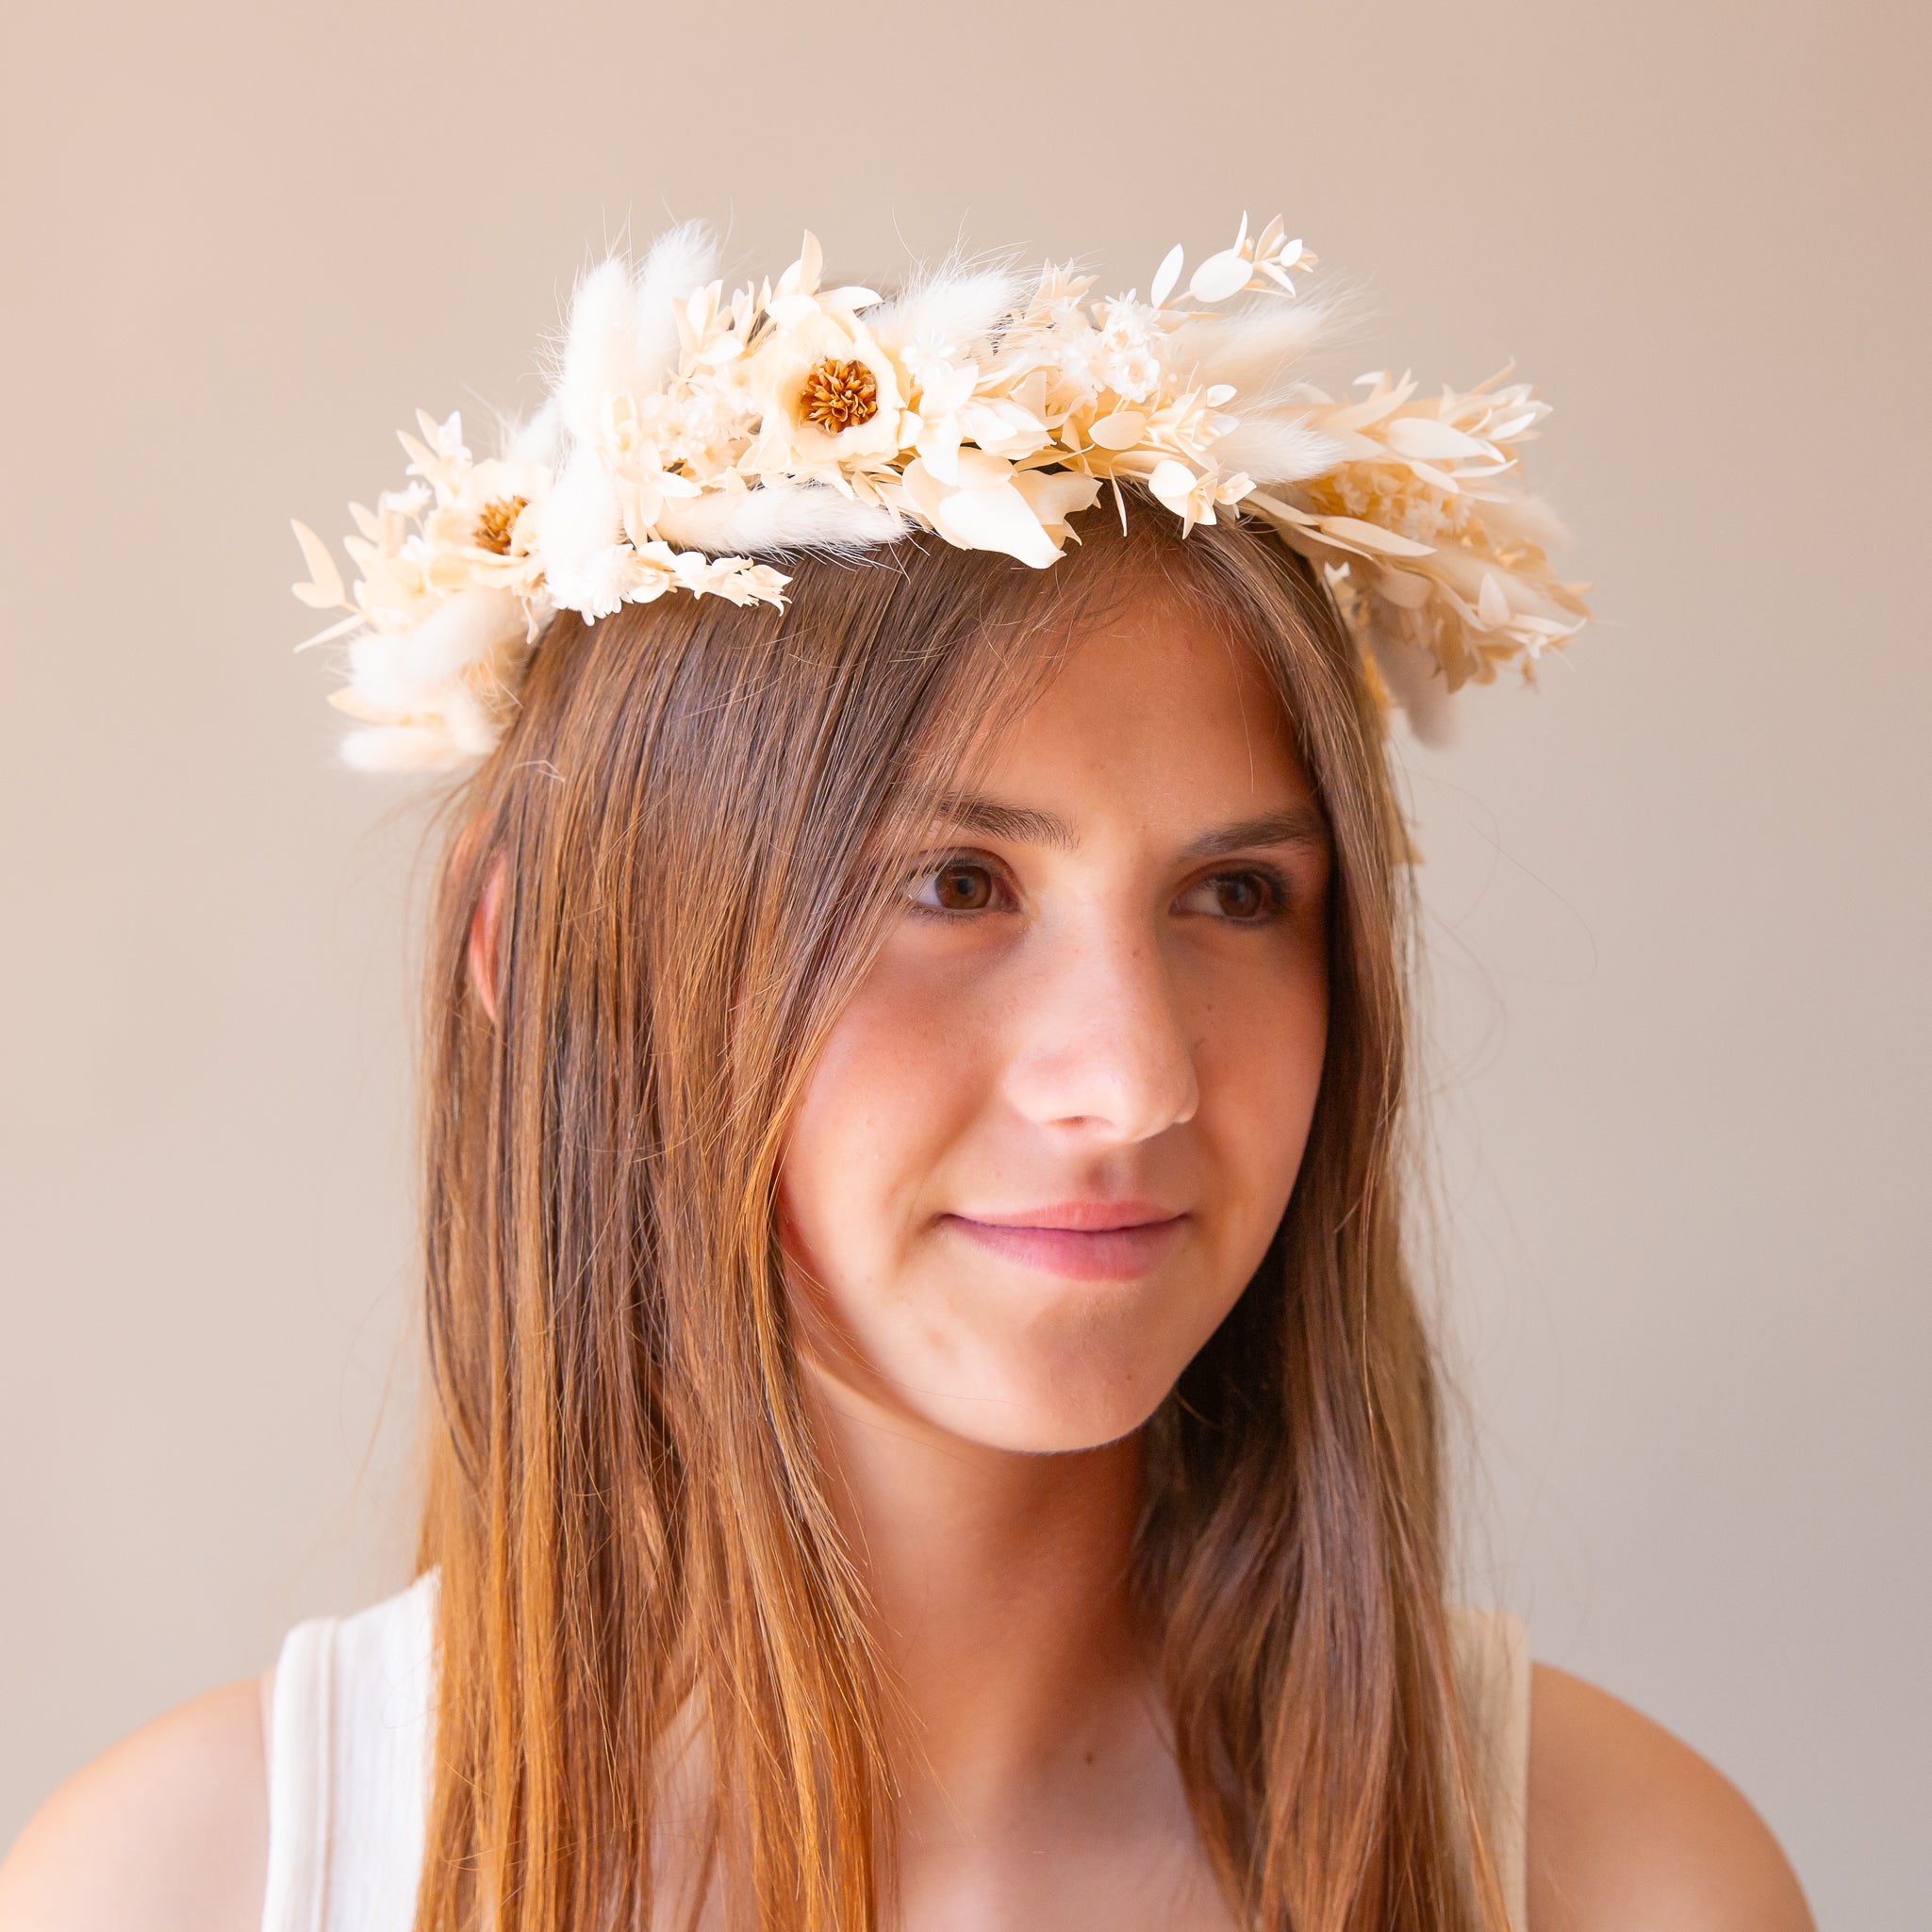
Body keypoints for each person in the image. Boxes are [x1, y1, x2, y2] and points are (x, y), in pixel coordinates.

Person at [0, 219, 1813, 1932]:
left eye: (1236, 893)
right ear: (536, 948)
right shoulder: (187, 1887)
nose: (1134, 1082)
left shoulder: (1613, 1874)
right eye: (951, 885)